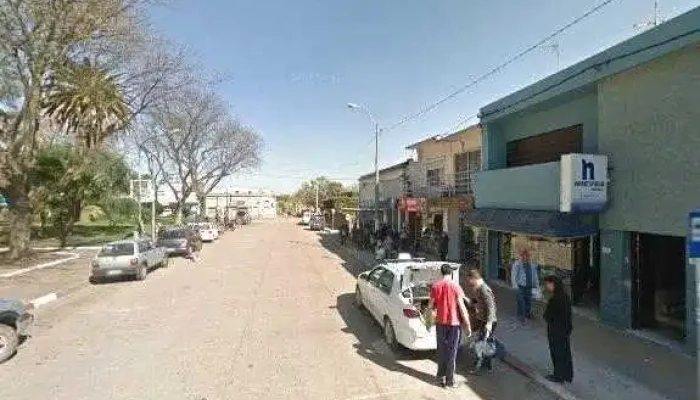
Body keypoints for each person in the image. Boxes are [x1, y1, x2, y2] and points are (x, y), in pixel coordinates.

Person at [429, 264, 470, 389]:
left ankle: (439, 378)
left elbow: (430, 307)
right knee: (452, 353)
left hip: (440, 323)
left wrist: (428, 322)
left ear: (441, 273)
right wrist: (467, 325)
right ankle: (450, 381)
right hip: (454, 324)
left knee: (441, 351)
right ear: (451, 273)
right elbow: (462, 307)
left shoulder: (435, 286)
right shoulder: (456, 287)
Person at [465, 268, 498, 374]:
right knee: (485, 344)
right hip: (483, 320)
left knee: (480, 344)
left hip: (488, 322)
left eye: (470, 280)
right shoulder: (479, 288)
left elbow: (491, 306)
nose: (469, 282)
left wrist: (489, 323)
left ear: (474, 278)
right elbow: (479, 300)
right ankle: (486, 365)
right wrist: (471, 301)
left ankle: (480, 367)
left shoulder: (484, 289)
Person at [543, 275, 574, 384]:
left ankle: (558, 376)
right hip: (564, 330)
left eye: (548, 284)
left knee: (557, 353)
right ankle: (567, 375)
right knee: (565, 352)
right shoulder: (565, 297)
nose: (546, 286)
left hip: (555, 331)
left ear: (553, 284)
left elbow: (547, 316)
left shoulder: (554, 299)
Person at [511, 249, 540, 321]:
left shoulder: (532, 264)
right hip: (520, 286)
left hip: (529, 286)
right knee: (521, 301)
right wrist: (515, 285)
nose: (526, 257)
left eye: (528, 256)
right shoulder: (517, 264)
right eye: (525, 255)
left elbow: (535, 275)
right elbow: (513, 275)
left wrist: (537, 285)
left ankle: (527, 314)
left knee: (528, 301)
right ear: (521, 256)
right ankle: (521, 315)